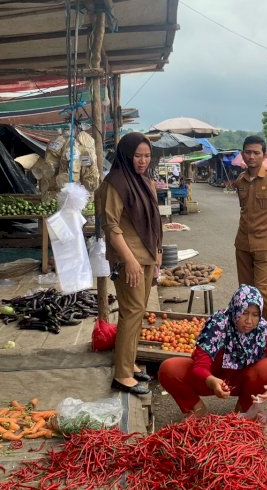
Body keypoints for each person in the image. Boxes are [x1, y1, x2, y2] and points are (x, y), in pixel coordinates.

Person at [97, 133, 163, 396]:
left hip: (146, 257)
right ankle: (122, 375)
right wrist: (129, 260)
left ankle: (130, 363)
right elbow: (111, 226)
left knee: (138, 312)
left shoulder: (144, 181)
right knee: (131, 312)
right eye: (138, 156)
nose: (143, 161)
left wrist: (157, 250)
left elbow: (154, 219)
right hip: (129, 260)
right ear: (126, 155)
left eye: (147, 156)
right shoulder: (114, 184)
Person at [158, 284, 267, 417]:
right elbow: (200, 366)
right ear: (236, 309)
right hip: (210, 376)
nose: (249, 321)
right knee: (169, 369)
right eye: (244, 313)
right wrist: (212, 381)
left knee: (266, 368)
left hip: (241, 380)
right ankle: (198, 411)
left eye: (255, 315)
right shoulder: (217, 325)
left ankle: (243, 410)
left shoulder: (263, 331)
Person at [233, 136, 267, 349]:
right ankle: (251, 331)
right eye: (248, 152)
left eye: (256, 153)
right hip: (243, 242)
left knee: (263, 288)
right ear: (243, 154)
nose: (252, 156)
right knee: (245, 290)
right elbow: (243, 209)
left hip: (264, 243)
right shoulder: (240, 181)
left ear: (264, 155)